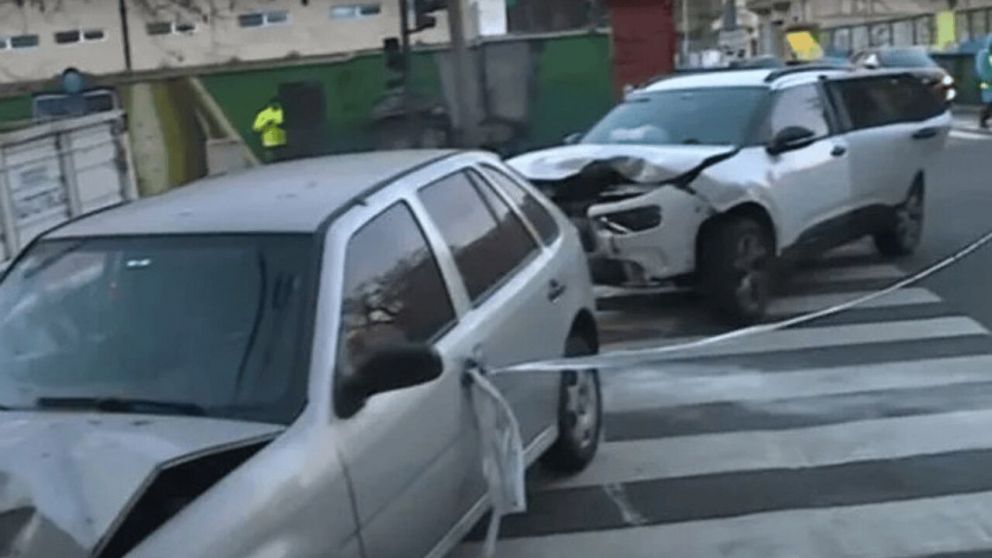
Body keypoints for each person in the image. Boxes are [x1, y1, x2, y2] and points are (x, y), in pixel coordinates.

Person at [252, 97, 288, 162]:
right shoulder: (263, 114)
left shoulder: (282, 112)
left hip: (281, 141)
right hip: (269, 142)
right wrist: (266, 123)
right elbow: (256, 127)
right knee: (273, 161)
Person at [975, 36, 992, 128]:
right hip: (987, 82)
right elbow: (983, 70)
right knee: (989, 102)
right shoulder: (985, 55)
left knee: (989, 102)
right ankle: (983, 119)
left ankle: (984, 119)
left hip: (987, 81)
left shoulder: (984, 54)